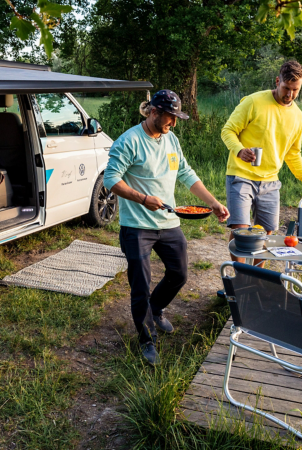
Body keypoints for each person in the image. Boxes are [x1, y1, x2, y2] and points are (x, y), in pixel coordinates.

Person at [104, 89, 230, 365]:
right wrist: (142, 198)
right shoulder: (129, 142)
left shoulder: (170, 139)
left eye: (175, 119)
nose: (173, 124)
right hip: (137, 226)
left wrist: (214, 203)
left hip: (168, 221)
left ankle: (156, 308)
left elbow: (186, 173)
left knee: (179, 274)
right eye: (169, 118)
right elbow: (110, 179)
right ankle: (146, 339)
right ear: (153, 112)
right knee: (140, 285)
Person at [221, 60, 302, 266]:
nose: (289, 94)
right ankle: (240, 278)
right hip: (241, 176)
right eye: (286, 88)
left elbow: (293, 154)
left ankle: (256, 276)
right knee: (241, 232)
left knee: (266, 235)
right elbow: (228, 131)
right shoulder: (253, 102)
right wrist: (239, 150)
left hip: (270, 182)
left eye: (295, 90)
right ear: (277, 81)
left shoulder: (297, 116)